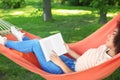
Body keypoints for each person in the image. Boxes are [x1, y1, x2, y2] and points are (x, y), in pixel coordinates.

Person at [0, 21, 120, 74]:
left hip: (62, 70)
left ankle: (6, 43)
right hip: (71, 62)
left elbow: (77, 77)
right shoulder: (104, 48)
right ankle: (23, 39)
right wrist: (69, 51)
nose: (109, 35)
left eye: (113, 34)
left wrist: (59, 62)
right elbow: (85, 60)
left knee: (37, 44)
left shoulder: (106, 62)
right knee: (43, 43)